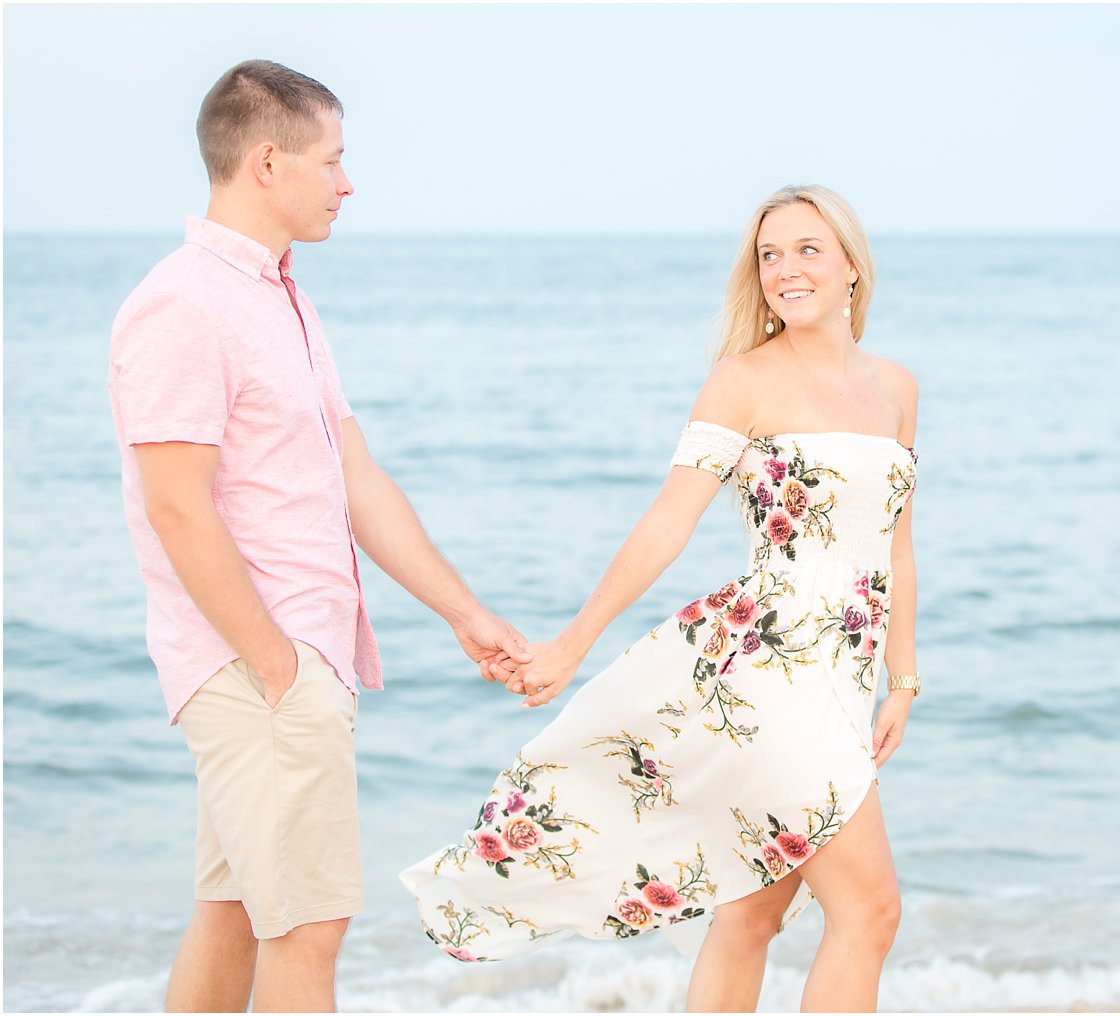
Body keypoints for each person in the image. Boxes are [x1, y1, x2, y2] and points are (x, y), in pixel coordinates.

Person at [402, 184, 921, 1012]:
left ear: (853, 266)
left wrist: (902, 679)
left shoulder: (896, 387)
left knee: (755, 913)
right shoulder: (742, 381)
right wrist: (574, 643)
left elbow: (893, 540)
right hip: (772, 676)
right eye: (770, 254)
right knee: (871, 909)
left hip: (845, 678)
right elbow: (666, 524)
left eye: (807, 249)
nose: (786, 269)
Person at [107, 60, 531, 1013]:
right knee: (307, 930)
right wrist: (276, 664)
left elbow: (357, 478)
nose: (348, 183)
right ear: (267, 161)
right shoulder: (184, 303)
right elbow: (178, 506)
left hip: (291, 657)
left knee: (234, 914)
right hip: (260, 663)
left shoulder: (278, 297)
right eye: (333, 161)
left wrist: (464, 613)